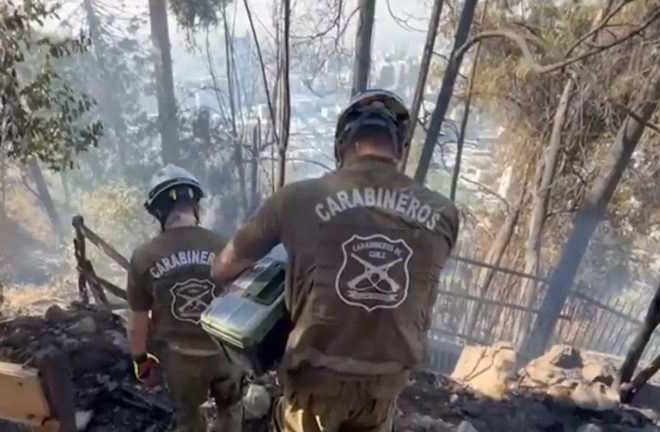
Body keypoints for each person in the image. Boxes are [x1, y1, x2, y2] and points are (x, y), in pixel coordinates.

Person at [211, 89, 460, 432]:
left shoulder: (297, 199)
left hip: (314, 384)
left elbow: (223, 266)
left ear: (342, 146)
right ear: (400, 150)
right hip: (384, 386)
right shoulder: (443, 213)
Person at [126, 164, 243, 432]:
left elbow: (136, 325)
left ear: (158, 212)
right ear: (196, 206)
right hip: (225, 353)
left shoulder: (144, 256)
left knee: (187, 420)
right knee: (231, 410)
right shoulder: (224, 245)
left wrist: (140, 360)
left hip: (179, 360)